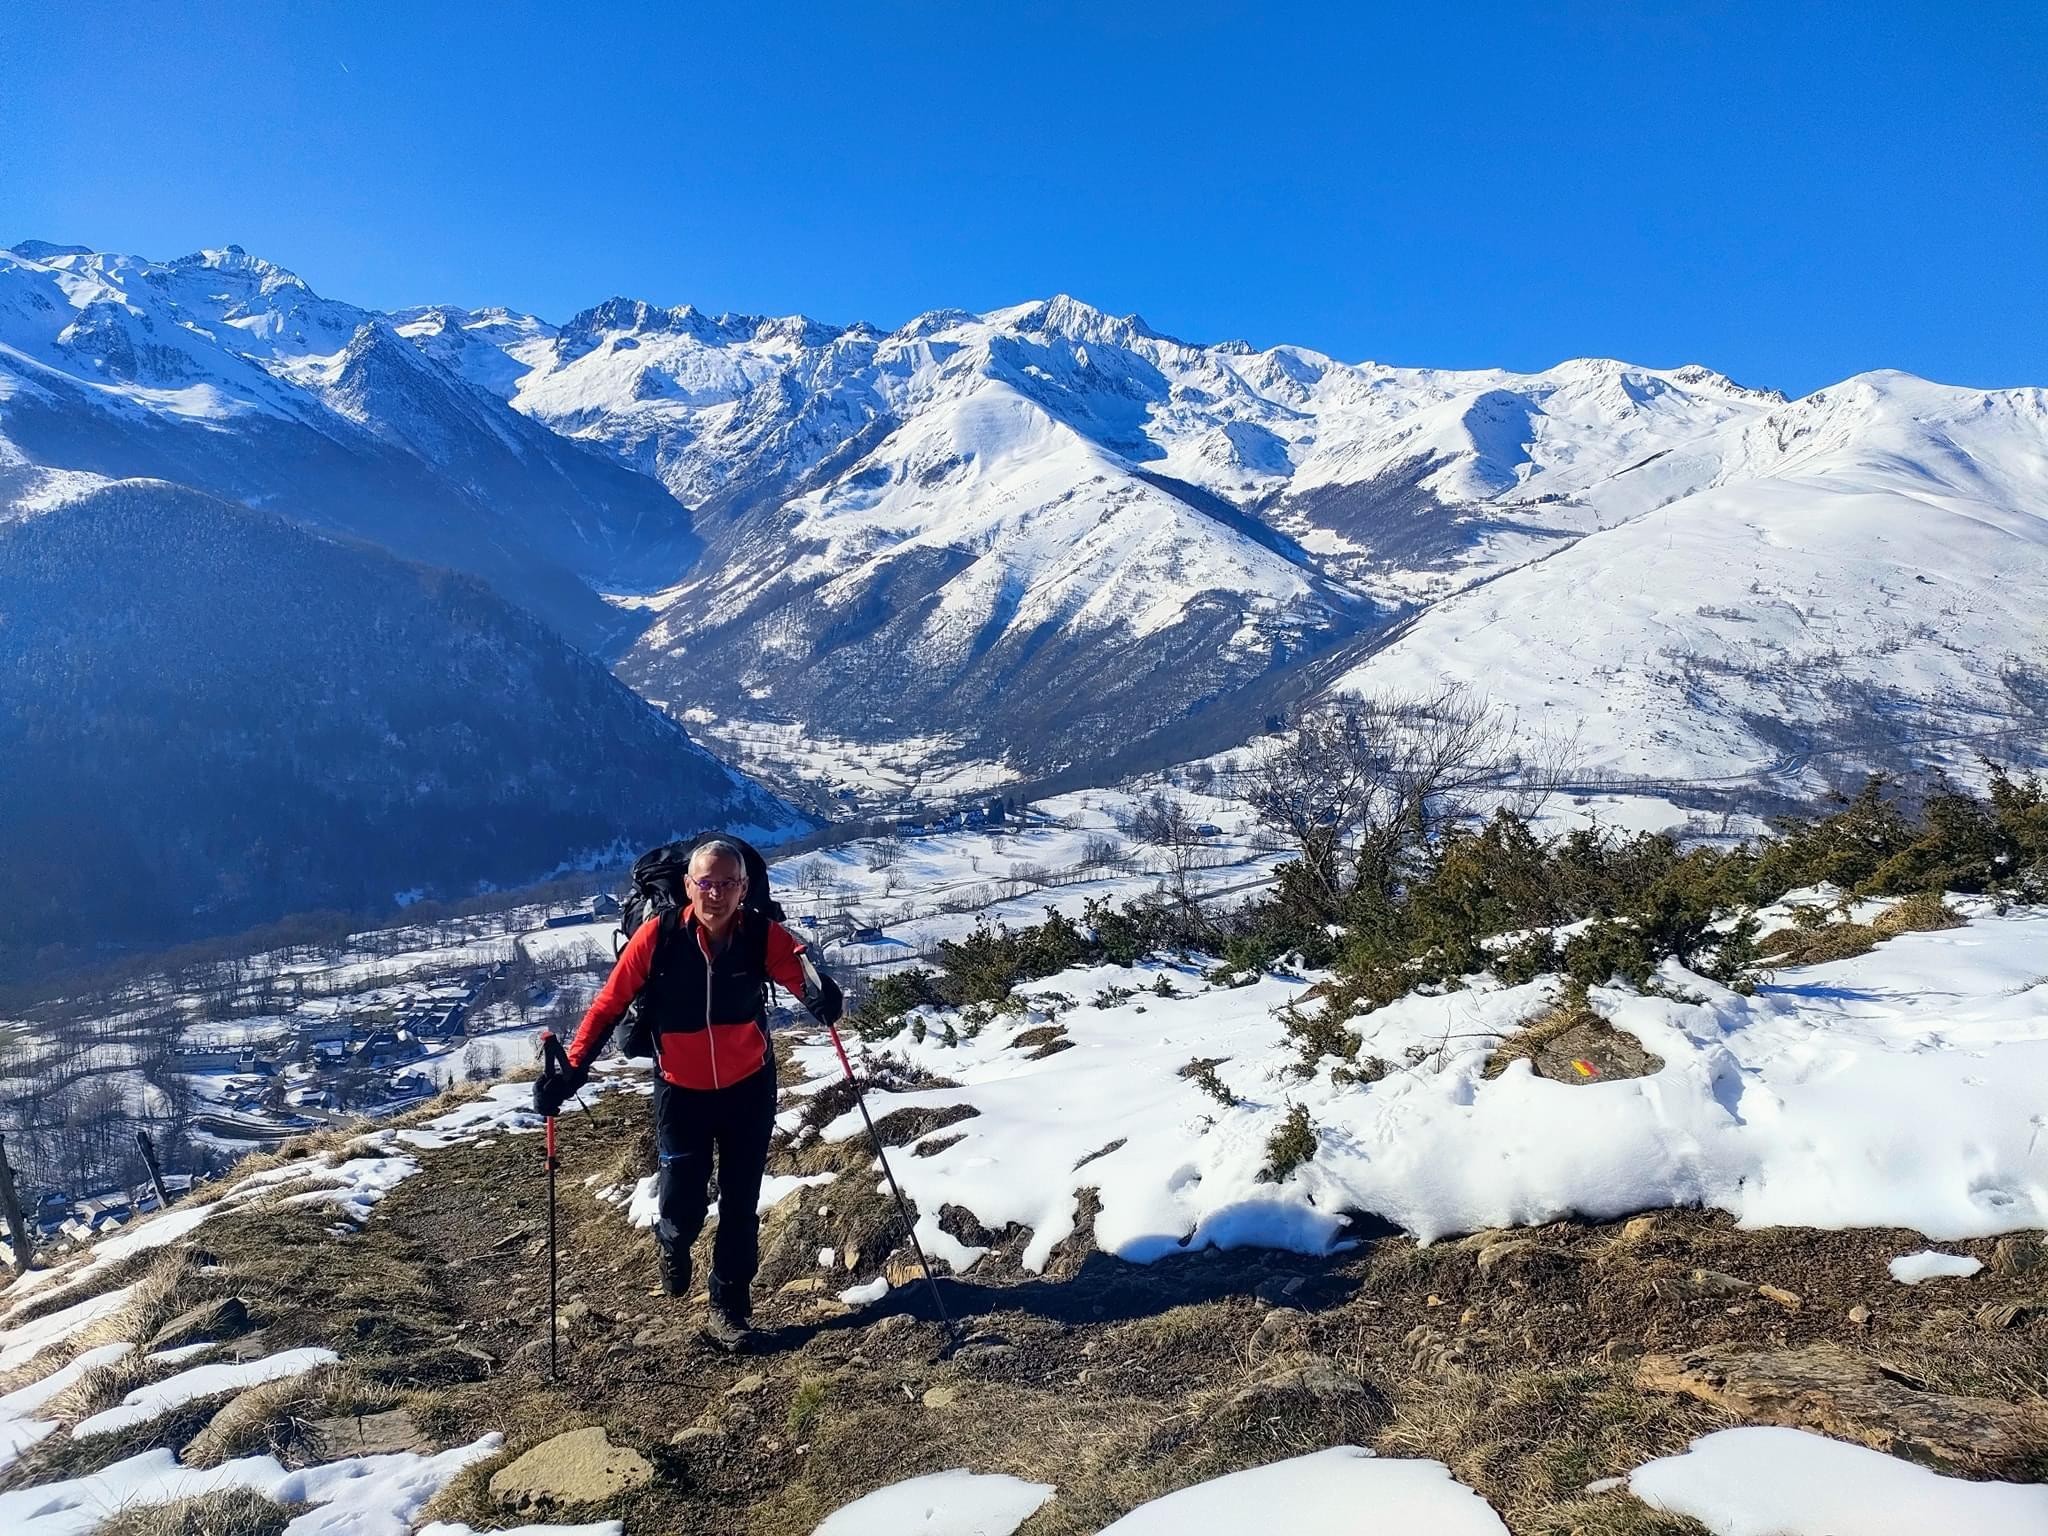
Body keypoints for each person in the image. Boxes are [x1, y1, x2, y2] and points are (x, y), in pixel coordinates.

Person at [533, 837, 843, 1351]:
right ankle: (672, 1242)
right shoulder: (659, 937)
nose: (715, 893)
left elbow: (803, 980)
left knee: (741, 1203)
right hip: (682, 1092)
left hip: (750, 1086)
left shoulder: (762, 936)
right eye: (705, 883)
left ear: (743, 888)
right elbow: (609, 1004)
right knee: (683, 1204)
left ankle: (729, 1309)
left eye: (726, 884)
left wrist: (821, 999)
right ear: (687, 886)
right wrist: (573, 1069)